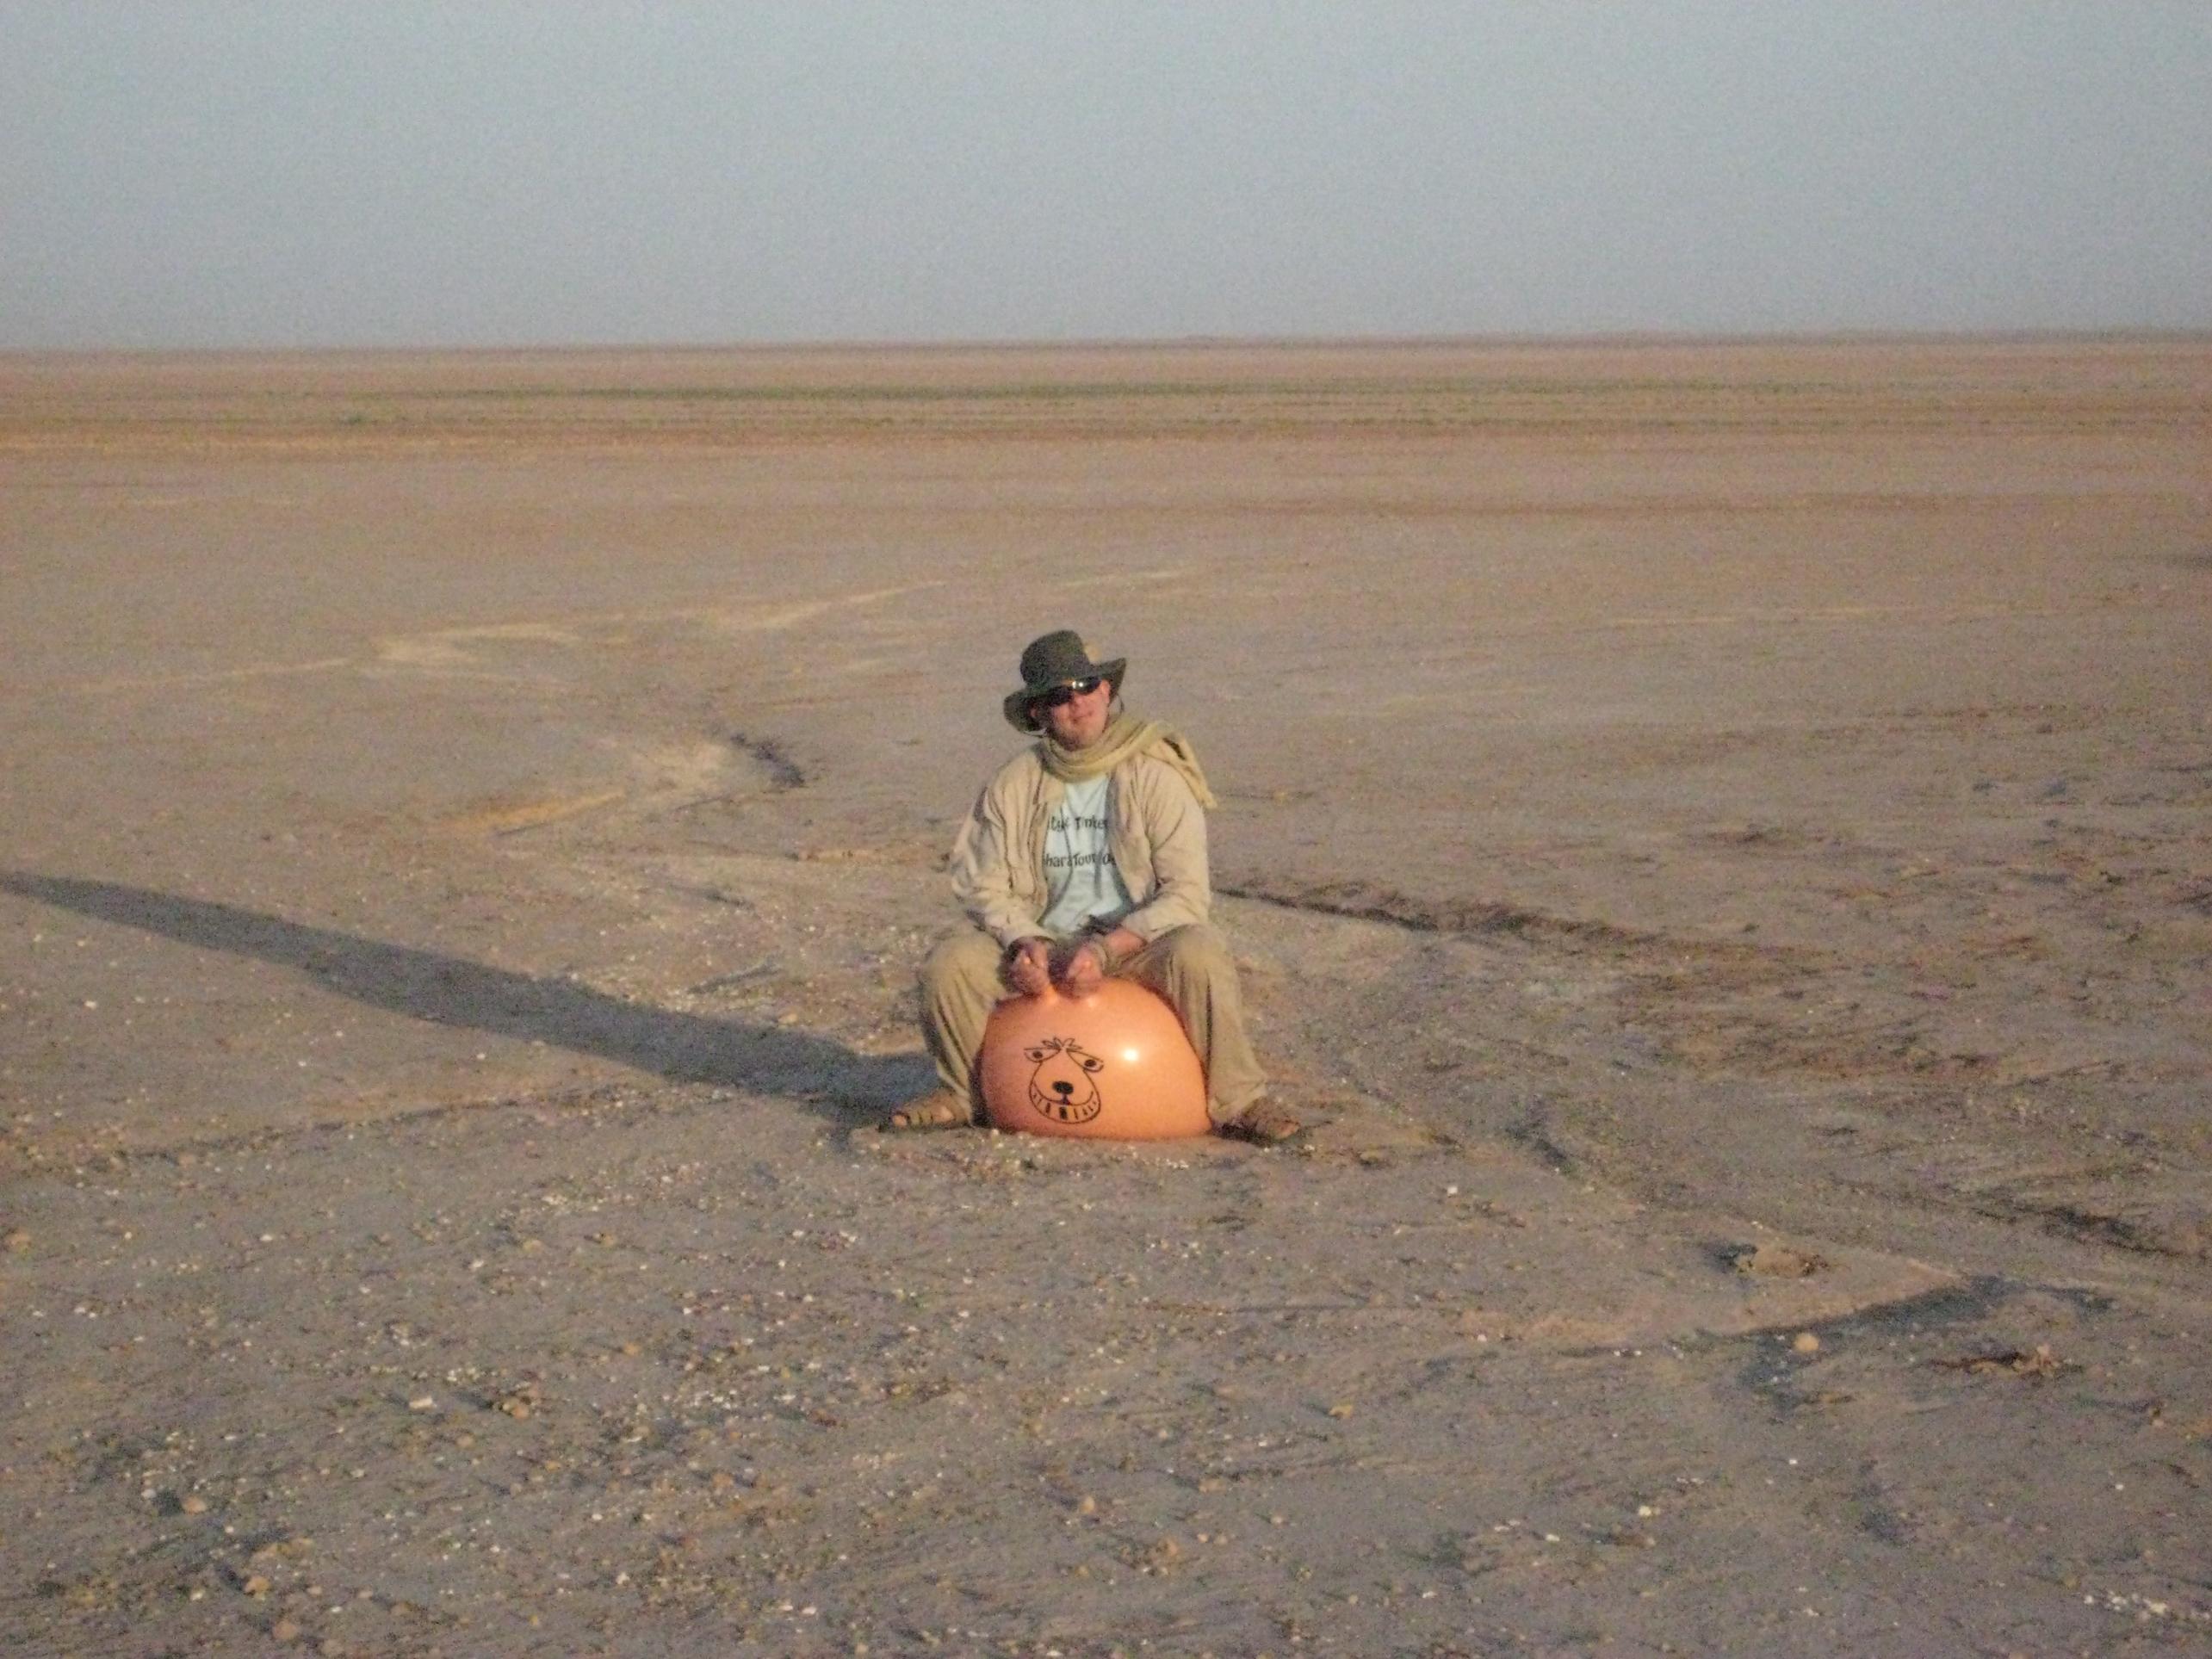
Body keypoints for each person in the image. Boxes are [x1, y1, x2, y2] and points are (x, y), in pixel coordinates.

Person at [885, 630, 1301, 1142]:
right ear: (1038, 713)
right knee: (950, 964)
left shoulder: (1155, 774)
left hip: (1135, 945)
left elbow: (1187, 895)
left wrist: (1106, 950)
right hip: (1046, 940)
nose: (1076, 701)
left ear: (1106, 690)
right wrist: (1024, 942)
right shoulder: (1013, 784)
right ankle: (963, 1095)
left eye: (1085, 685)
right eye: (1059, 695)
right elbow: (981, 884)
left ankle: (1240, 1100)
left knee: (1200, 951)